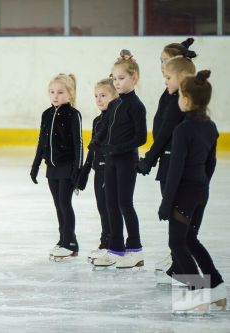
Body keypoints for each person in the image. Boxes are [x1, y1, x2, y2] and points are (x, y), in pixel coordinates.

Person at [158, 70, 226, 311]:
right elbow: (211, 163)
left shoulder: (182, 130)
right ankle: (216, 286)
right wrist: (201, 185)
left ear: (185, 99)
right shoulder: (211, 126)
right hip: (201, 191)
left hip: (185, 193)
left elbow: (174, 171)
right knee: (190, 239)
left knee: (177, 242)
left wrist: (166, 203)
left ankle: (197, 292)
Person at [136, 38, 196, 273]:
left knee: (178, 221)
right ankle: (179, 261)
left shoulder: (178, 98)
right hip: (169, 160)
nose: (162, 66)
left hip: (173, 163)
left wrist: (148, 160)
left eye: (165, 62)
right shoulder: (171, 92)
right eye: (160, 61)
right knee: (177, 222)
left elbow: (165, 132)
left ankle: (185, 269)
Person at [89, 50, 147, 270]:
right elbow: (104, 128)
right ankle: (115, 249)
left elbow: (141, 137)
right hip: (110, 160)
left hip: (126, 160)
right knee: (111, 204)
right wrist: (97, 141)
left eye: (121, 78)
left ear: (134, 79)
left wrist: (117, 148)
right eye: (114, 79)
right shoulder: (114, 104)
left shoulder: (136, 105)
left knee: (125, 204)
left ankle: (135, 249)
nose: (117, 83)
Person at [31, 73, 83, 260]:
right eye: (52, 92)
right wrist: (36, 164)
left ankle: (69, 243)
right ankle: (65, 240)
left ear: (70, 94)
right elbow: (41, 142)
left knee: (64, 203)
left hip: (67, 166)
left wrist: (78, 169)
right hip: (51, 168)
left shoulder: (73, 115)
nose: (55, 96)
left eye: (60, 92)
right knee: (58, 205)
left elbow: (78, 143)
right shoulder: (47, 114)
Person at [77, 78, 118, 261]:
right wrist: (84, 172)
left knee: (111, 208)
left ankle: (114, 244)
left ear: (115, 96)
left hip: (112, 170)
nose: (99, 100)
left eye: (103, 96)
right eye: (96, 96)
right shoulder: (96, 121)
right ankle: (105, 243)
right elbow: (92, 149)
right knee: (102, 207)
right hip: (98, 171)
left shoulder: (117, 119)